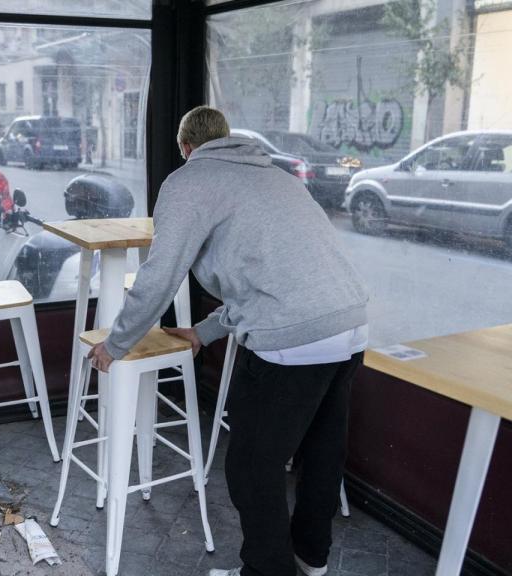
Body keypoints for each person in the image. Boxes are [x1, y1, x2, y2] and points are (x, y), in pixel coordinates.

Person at [87, 105, 370, 576]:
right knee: (321, 454)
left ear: (185, 148)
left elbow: (160, 275)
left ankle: (266, 571)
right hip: (350, 325)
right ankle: (310, 558)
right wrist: (204, 332)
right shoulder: (277, 176)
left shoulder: (188, 182)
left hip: (291, 340)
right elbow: (269, 279)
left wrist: (116, 344)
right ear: (230, 139)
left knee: (252, 469)